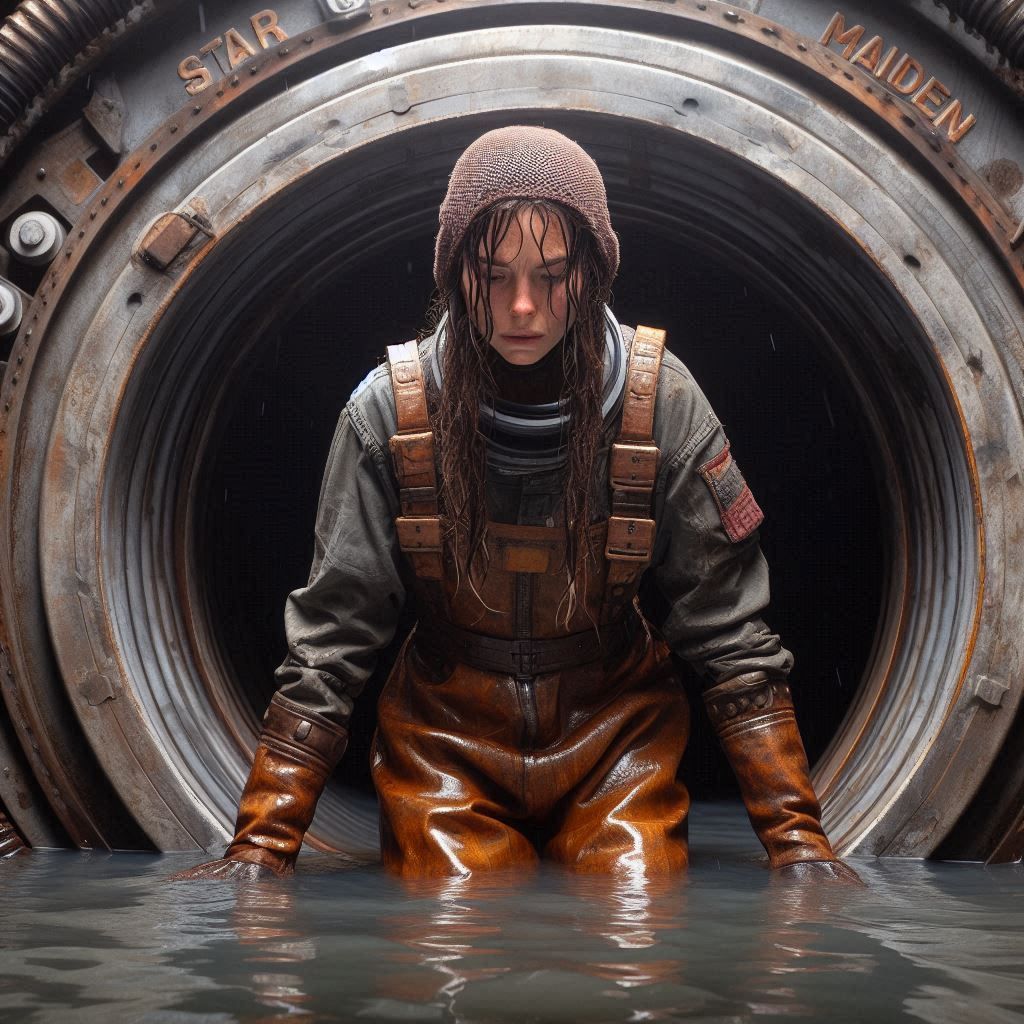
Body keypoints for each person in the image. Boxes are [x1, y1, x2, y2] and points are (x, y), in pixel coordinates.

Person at [173, 126, 861, 883]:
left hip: (617, 739)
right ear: (454, 274)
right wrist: (260, 847)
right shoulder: (387, 417)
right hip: (445, 746)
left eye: (554, 275)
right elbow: (333, 634)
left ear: (593, 274)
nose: (523, 307)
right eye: (493, 276)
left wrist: (799, 844)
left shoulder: (660, 402)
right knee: (454, 938)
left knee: (636, 931)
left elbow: (729, 629)